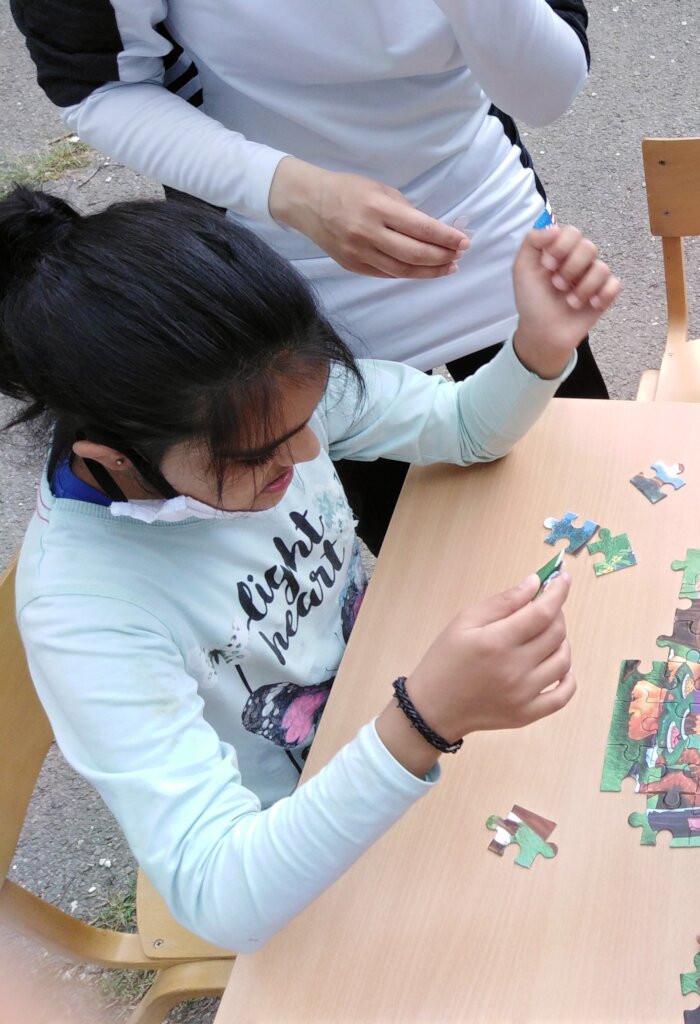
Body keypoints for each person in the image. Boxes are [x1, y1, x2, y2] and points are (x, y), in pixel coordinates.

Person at [1, 187, 619, 951]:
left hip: (401, 717)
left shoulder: (263, 392)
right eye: (257, 456)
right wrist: (426, 718)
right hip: (303, 855)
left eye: (307, 418)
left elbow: (461, 426)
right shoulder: (85, 611)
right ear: (113, 461)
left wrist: (537, 349)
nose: (306, 453)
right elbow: (218, 894)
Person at [12, 0, 604, 552]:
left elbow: (548, 91)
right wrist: (291, 191)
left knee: (598, 500)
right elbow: (96, 83)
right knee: (418, 544)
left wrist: (540, 346)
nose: (303, 451)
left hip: (489, 218)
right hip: (287, 265)